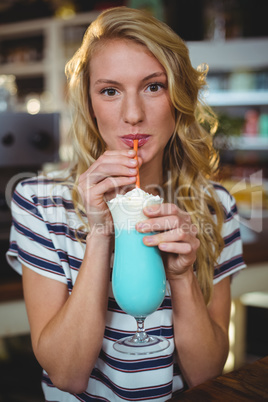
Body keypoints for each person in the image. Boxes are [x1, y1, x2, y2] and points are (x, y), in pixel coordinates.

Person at [7, 6, 246, 401]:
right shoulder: (40, 203)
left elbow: (206, 374)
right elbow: (67, 375)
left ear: (179, 96)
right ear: (89, 102)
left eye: (153, 86)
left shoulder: (214, 207)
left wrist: (184, 276)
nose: (132, 115)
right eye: (110, 91)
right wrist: (100, 233)